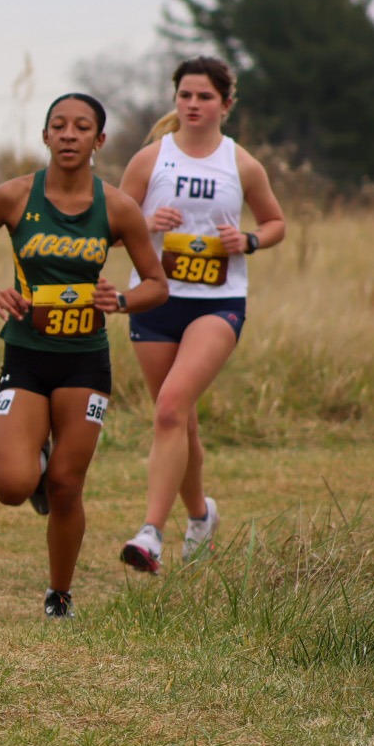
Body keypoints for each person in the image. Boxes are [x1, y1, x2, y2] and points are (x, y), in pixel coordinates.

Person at [0, 93, 167, 618]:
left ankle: (59, 593)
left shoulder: (117, 207)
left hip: (85, 361)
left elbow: (157, 285)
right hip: (25, 355)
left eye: (82, 127)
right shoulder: (14, 197)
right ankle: (36, 462)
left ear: (99, 140)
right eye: (59, 126)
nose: (69, 135)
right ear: (45, 136)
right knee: (11, 486)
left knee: (68, 487)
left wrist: (123, 301)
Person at [117, 57, 285, 572]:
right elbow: (113, 223)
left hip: (217, 304)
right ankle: (200, 515)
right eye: (185, 95)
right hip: (155, 299)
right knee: (179, 420)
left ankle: (150, 533)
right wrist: (146, 221)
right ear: (175, 100)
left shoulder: (242, 165)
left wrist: (249, 240)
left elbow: (277, 222)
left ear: (226, 105)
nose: (193, 104)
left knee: (169, 409)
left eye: (205, 96)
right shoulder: (150, 160)